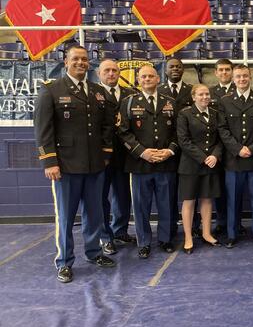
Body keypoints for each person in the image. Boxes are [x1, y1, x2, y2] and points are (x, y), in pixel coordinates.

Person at [34, 45, 116, 283]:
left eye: (84, 59)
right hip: (65, 167)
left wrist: (106, 154)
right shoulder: (51, 90)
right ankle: (64, 262)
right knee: (66, 217)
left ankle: (93, 253)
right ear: (66, 62)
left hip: (94, 166)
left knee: (94, 214)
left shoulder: (98, 92)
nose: (81, 62)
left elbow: (106, 127)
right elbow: (43, 131)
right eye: (75, 59)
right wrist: (49, 162)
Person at [118, 65, 178, 259]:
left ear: (158, 79)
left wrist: (170, 151)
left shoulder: (170, 102)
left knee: (166, 203)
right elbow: (123, 132)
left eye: (151, 76)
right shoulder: (128, 102)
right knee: (141, 206)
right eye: (143, 77)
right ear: (138, 80)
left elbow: (179, 131)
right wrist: (142, 153)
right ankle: (143, 242)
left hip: (166, 163)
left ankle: (166, 239)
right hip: (140, 164)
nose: (147, 79)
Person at [218, 64, 253, 249]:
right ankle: (232, 234)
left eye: (245, 76)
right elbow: (222, 129)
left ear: (251, 78)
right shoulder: (224, 101)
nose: (242, 79)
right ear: (233, 79)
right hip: (234, 160)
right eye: (238, 76)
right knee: (233, 200)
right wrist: (238, 149)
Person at [96, 59, 137, 256]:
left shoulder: (130, 94)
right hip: (101, 156)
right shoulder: (93, 94)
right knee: (101, 196)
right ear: (99, 73)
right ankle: (105, 237)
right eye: (107, 71)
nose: (111, 74)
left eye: (114, 70)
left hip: (124, 154)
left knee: (123, 194)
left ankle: (120, 230)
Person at [177, 84, 223, 254]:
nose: (205, 97)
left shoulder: (216, 114)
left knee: (207, 199)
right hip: (191, 165)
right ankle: (188, 237)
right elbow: (183, 140)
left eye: (207, 94)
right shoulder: (185, 114)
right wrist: (203, 158)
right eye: (201, 94)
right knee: (189, 201)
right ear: (193, 97)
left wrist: (215, 155)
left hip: (210, 164)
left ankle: (206, 233)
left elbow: (221, 138)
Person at [158, 57, 193, 238]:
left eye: (179, 67)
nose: (175, 69)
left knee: (192, 191)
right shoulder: (159, 91)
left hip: (188, 150)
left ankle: (193, 227)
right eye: (171, 67)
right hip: (169, 148)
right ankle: (170, 227)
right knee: (169, 193)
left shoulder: (191, 91)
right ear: (165, 70)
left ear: (183, 69)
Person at [209, 58, 236, 235]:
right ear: (216, 73)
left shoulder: (240, 89)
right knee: (218, 187)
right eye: (221, 70)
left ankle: (236, 222)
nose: (224, 73)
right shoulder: (209, 93)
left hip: (234, 147)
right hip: (215, 146)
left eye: (227, 69)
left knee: (234, 190)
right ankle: (221, 220)